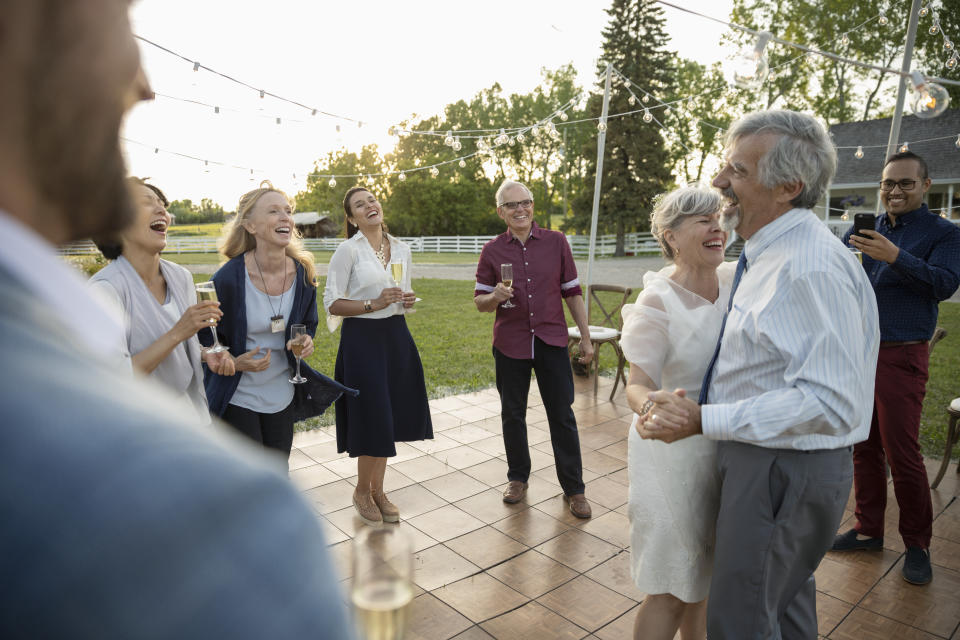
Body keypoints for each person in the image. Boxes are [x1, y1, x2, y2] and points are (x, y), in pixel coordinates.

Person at [0, 2, 353, 638]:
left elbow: (213, 347)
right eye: (116, 18)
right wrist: (202, 343)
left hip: (212, 412)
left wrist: (216, 353)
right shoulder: (236, 513)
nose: (143, 82)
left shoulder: (196, 278)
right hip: (216, 424)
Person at [639, 110, 879, 639]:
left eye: (738, 172)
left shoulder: (808, 265)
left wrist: (706, 418)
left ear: (788, 187)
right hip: (766, 460)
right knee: (780, 612)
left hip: (783, 466)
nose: (720, 183)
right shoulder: (767, 256)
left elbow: (832, 400)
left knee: (741, 622)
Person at [833, 151, 960, 585]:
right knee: (863, 446)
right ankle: (868, 530)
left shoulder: (944, 233)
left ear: (926, 185)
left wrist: (894, 257)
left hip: (902, 353)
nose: (894, 191)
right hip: (860, 351)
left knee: (902, 453)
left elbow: (943, 284)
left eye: (905, 183)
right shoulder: (873, 226)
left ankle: (917, 544)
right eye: (889, 183)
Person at [622, 186, 733, 640]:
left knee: (706, 576)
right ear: (671, 236)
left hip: (726, 442)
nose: (716, 226)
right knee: (670, 583)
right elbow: (637, 384)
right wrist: (652, 409)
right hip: (669, 450)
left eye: (718, 217)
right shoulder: (657, 301)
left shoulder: (735, 281)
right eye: (702, 220)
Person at [203, 182, 354, 466]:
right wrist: (235, 361)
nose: (285, 217)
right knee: (249, 479)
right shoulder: (227, 279)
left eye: (287, 210)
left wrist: (306, 340)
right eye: (273, 211)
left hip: (283, 392)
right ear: (250, 226)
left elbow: (308, 324)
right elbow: (207, 339)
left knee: (277, 471)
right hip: (239, 394)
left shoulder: (303, 273)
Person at [474, 180, 594, 519]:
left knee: (562, 415)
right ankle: (517, 478)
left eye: (525, 202)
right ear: (501, 212)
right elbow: (480, 303)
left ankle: (574, 488)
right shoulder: (492, 250)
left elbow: (572, 292)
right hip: (510, 345)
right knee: (513, 414)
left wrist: (584, 338)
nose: (520, 209)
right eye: (512, 205)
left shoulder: (556, 243)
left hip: (552, 341)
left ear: (533, 206)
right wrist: (494, 297)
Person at [324, 186, 432, 526]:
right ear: (352, 217)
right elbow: (332, 303)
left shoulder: (401, 249)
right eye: (360, 204)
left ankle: (379, 490)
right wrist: (374, 303)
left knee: (392, 416)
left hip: (396, 336)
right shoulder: (347, 251)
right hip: (362, 341)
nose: (370, 206)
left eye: (372, 199)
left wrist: (405, 300)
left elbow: (399, 295)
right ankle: (361, 490)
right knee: (374, 416)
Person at [89, 177, 233, 422]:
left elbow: (179, 347)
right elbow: (115, 378)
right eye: (146, 202)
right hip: (142, 428)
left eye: (162, 204)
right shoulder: (105, 290)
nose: (161, 210)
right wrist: (179, 332)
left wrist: (204, 353)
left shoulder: (181, 277)